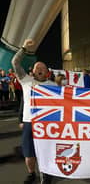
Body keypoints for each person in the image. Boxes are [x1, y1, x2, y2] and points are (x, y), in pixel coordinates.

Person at [12, 39, 55, 184]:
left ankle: (46, 174)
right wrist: (23, 48)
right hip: (29, 122)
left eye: (42, 67)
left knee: (45, 152)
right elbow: (15, 63)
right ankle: (31, 173)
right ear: (32, 71)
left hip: (46, 123)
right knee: (29, 152)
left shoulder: (53, 85)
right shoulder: (26, 80)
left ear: (47, 72)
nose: (40, 69)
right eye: (37, 67)